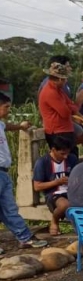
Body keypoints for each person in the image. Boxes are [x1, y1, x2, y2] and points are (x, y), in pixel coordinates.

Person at [0, 94, 48, 253]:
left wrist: (20, 127)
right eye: (6, 107)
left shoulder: (0, 124)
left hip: (3, 172)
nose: (8, 110)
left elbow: (6, 126)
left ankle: (25, 237)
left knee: (9, 208)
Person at [32, 136, 78, 236]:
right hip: (54, 194)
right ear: (53, 150)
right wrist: (57, 182)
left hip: (71, 191)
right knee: (65, 205)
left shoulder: (72, 159)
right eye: (62, 154)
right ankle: (54, 220)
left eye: (67, 153)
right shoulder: (42, 162)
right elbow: (37, 186)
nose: (66, 156)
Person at [38, 61, 81, 147]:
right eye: (65, 79)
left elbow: (71, 105)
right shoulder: (50, 92)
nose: (66, 81)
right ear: (60, 79)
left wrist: (69, 106)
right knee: (65, 156)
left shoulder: (58, 90)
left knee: (72, 155)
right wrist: (69, 107)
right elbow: (65, 113)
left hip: (64, 129)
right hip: (58, 132)